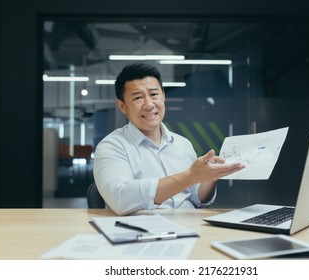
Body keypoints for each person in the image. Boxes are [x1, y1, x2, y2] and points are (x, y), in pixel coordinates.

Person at [93, 63, 245, 215]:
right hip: (142, 231)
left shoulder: (183, 144)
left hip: (190, 226)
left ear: (164, 96)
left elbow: (195, 198)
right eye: (138, 97)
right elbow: (121, 199)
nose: (149, 104)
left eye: (154, 95)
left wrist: (210, 177)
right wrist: (190, 176)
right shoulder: (111, 146)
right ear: (122, 106)